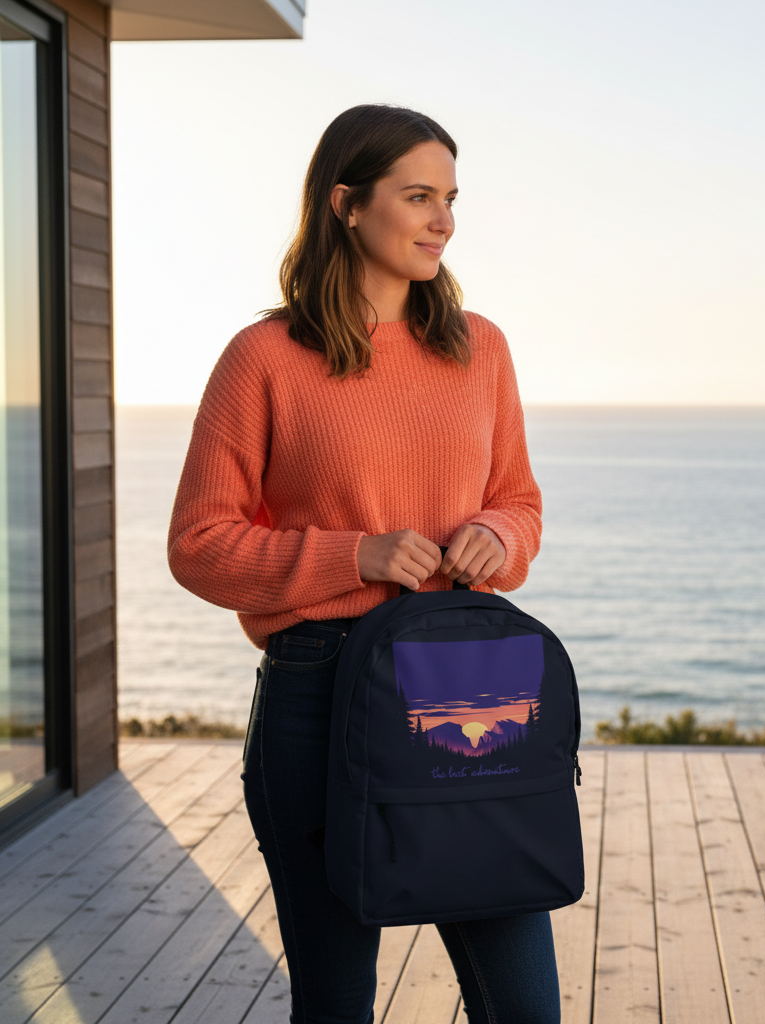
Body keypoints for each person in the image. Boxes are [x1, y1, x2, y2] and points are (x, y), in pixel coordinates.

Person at [168, 105, 557, 1023]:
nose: (443, 221)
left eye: (451, 199)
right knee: (337, 1002)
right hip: (319, 697)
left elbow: (522, 503)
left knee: (524, 1005)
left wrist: (498, 537)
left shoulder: (481, 347)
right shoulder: (264, 358)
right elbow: (199, 545)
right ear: (346, 204)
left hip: (467, 696)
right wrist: (357, 554)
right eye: (418, 196)